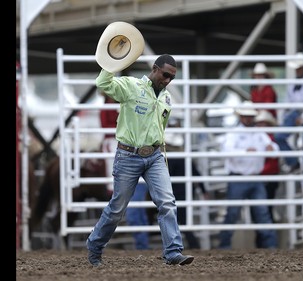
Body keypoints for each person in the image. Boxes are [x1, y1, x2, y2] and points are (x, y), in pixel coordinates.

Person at [86, 54, 194, 266]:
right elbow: (102, 83)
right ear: (154, 69)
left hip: (154, 155)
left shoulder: (166, 98)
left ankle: (173, 252)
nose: (168, 80)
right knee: (117, 208)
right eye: (165, 75)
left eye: (172, 77)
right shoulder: (131, 86)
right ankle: (95, 245)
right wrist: (111, 64)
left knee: (167, 202)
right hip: (128, 155)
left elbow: (160, 128)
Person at [218, 101, 278, 249]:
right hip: (239, 177)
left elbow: (274, 148)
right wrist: (246, 152)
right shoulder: (234, 133)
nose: (248, 119)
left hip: (254, 178)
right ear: (241, 117)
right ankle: (225, 246)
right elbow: (226, 151)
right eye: (246, 116)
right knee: (233, 213)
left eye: (250, 116)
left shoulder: (259, 133)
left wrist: (271, 147)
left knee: (262, 213)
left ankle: (271, 246)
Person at [165, 119, 209, 249]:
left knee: (174, 218)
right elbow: (195, 173)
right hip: (184, 191)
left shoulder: (168, 157)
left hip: (174, 191)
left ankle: (181, 245)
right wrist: (203, 189)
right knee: (182, 219)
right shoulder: (184, 155)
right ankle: (191, 245)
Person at [274, 53, 303, 173]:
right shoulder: (292, 83)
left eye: (300, 68)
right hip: (295, 113)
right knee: (278, 136)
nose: (298, 70)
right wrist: (281, 119)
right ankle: (293, 161)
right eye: (297, 68)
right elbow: (288, 103)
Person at [254, 110, 280, 223]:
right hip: (260, 177)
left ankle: (266, 235)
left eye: (263, 123)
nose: (261, 126)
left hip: (269, 177)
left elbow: (274, 158)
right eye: (259, 123)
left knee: (266, 207)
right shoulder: (258, 138)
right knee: (260, 208)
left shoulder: (272, 139)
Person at [99, 93, 119, 192]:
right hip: (111, 140)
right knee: (111, 162)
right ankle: (111, 188)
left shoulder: (119, 107)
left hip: (119, 140)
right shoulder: (105, 109)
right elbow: (105, 126)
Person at [125, 181, 150, 250]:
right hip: (131, 178)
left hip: (135, 177)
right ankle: (142, 247)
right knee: (138, 213)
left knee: (134, 213)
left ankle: (142, 247)